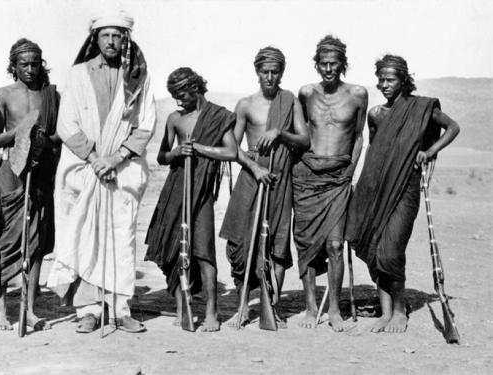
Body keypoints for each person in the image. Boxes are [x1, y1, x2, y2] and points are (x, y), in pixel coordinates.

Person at [46, 11, 156, 334]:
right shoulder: (78, 74)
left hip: (122, 170)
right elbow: (67, 124)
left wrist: (117, 158)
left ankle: (121, 308)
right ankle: (89, 310)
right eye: (106, 35)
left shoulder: (138, 76)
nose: (112, 41)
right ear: (95, 38)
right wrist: (95, 158)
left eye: (118, 35)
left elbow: (145, 123)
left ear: (126, 39)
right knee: (83, 235)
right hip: (85, 168)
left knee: (121, 237)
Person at [346, 54, 459, 333]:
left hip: (406, 187)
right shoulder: (375, 114)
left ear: (403, 80)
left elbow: (453, 127)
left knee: (391, 251)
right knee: (373, 246)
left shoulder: (421, 108)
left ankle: (399, 310)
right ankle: (385, 312)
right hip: (375, 188)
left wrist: (429, 151)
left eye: (390, 79)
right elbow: (376, 151)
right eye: (381, 79)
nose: (384, 84)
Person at [219, 47, 309, 328]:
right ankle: (243, 307)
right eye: (265, 71)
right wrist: (255, 167)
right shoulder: (245, 105)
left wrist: (280, 133)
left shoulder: (290, 100)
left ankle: (273, 306)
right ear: (257, 71)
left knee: (277, 242)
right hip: (252, 175)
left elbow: (304, 140)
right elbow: (231, 146)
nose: (270, 76)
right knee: (240, 243)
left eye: (275, 71)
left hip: (280, 178)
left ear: (282, 72)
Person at [145, 68, 236, 332]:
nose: (179, 101)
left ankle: (212, 311)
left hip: (202, 191)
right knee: (173, 248)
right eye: (174, 96)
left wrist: (199, 149)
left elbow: (230, 151)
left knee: (203, 251)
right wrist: (176, 153)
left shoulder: (218, 116)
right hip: (176, 189)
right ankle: (181, 307)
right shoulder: (174, 119)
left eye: (182, 94)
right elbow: (161, 156)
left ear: (195, 88)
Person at [294, 35, 367, 331]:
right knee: (307, 244)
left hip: (338, 176)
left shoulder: (358, 94)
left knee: (336, 244)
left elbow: (360, 135)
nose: (328, 69)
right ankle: (311, 308)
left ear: (342, 63)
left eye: (333, 63)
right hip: (307, 176)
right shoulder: (306, 93)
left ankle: (334, 309)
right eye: (322, 64)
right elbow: (300, 131)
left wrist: (351, 171)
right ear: (316, 64)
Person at [0, 38, 60, 332]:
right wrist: (22, 131)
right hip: (11, 171)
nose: (30, 69)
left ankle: (29, 308)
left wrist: (45, 139)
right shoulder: (4, 94)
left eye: (34, 63)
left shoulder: (51, 95)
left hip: (41, 171)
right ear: (13, 65)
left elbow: (60, 135)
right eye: (23, 64)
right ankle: (1, 308)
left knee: (36, 241)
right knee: (7, 238)